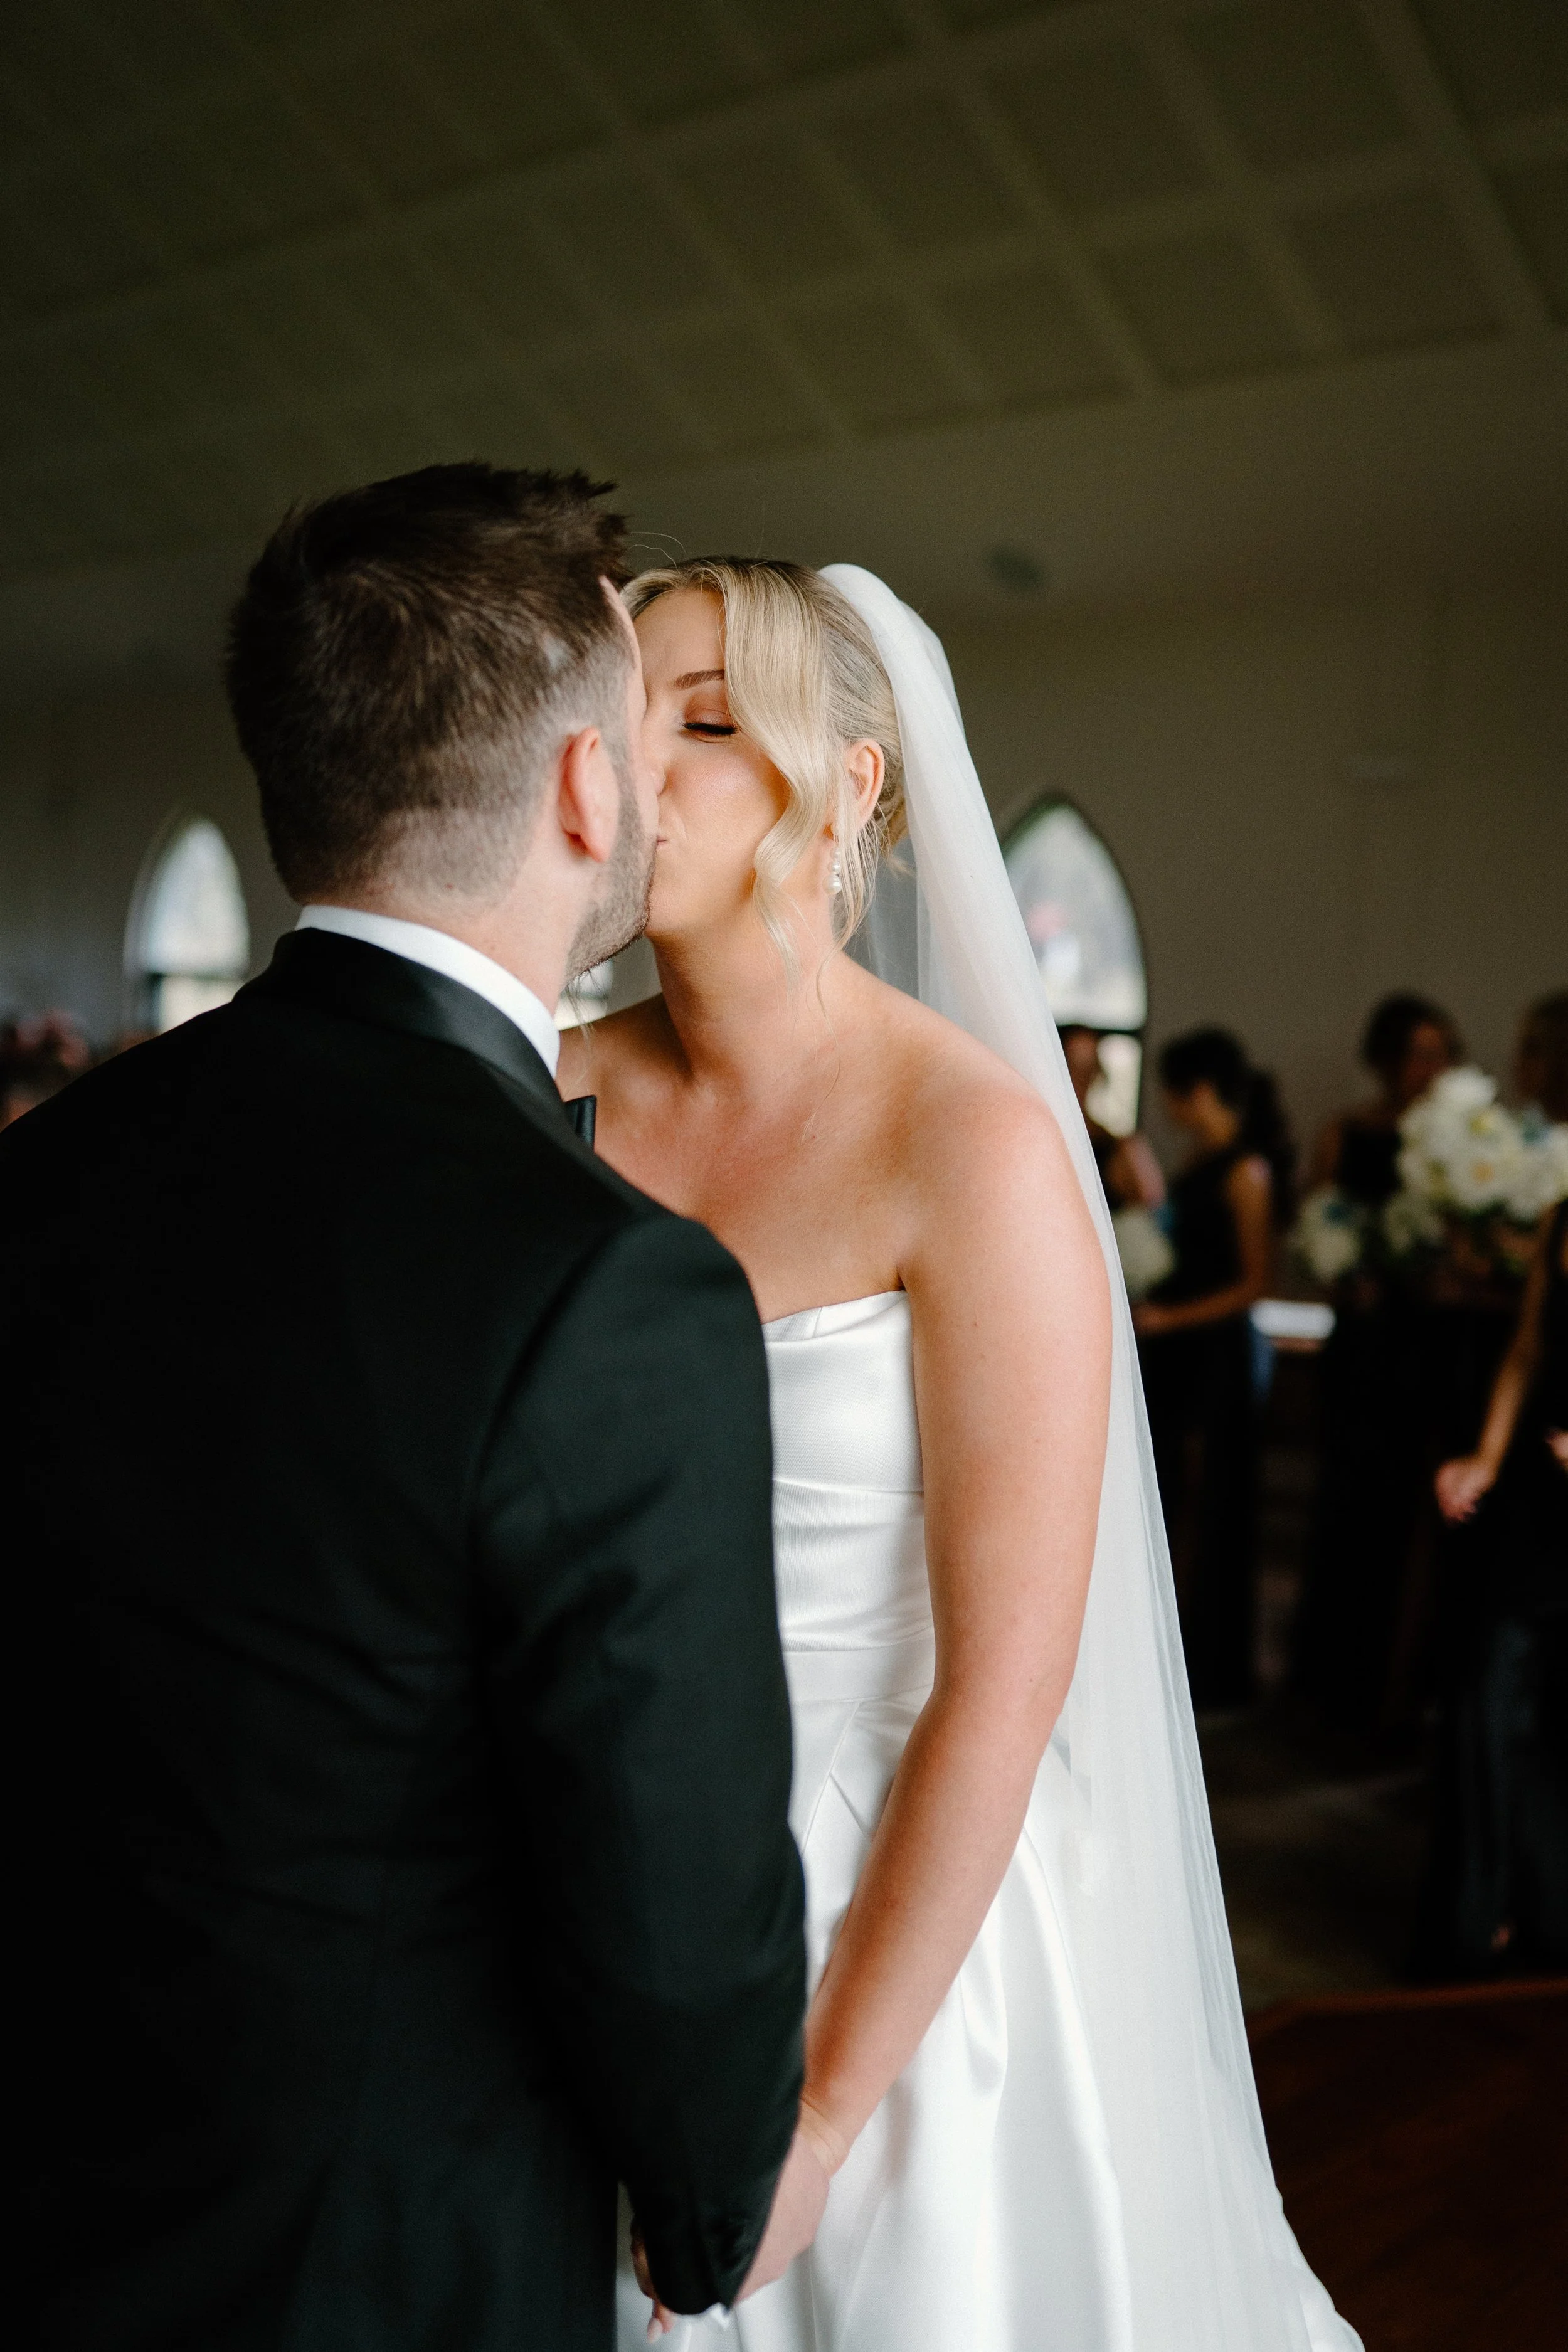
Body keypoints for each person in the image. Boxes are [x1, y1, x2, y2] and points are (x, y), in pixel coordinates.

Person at [6, 467, 808, 2351]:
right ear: (583, 790)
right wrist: (706, 2214)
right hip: (374, 2256)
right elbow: (666, 1884)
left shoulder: (51, 1167)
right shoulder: (603, 1282)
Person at [561, 559, 1356, 2352]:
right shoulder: (544, 1092)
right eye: (614, 712)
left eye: (703, 720)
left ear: (846, 788)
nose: (639, 765)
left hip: (892, 1893)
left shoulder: (967, 1142)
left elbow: (1004, 1675)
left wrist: (823, 2111)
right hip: (580, 1850)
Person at [1293, 993, 1461, 1730]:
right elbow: (1313, 1226)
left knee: (1400, 1518)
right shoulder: (1347, 1133)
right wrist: (1342, 1272)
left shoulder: (1454, 1146)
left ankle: (1385, 1685)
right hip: (1359, 1343)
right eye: (1415, 1052)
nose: (1427, 1067)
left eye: (1437, 1052)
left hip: (1424, 1347)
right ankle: (1319, 1675)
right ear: (1388, 1058)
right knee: (1341, 1500)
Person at [1131, 1027, 1294, 1708]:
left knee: (1206, 1500)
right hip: (1173, 1356)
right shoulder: (1199, 1162)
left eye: (1170, 1091)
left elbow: (1255, 1282)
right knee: (1170, 1497)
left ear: (1194, 1091)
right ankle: (1167, 1646)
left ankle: (1204, 1663)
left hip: (1214, 1358)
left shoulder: (1245, 1171)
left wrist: (1170, 1318)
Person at [1060, 1023, 1165, 1211]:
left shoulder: (1113, 1143)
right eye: (1073, 1066)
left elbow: (1152, 1200)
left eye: (1090, 1067)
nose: (1084, 1077)